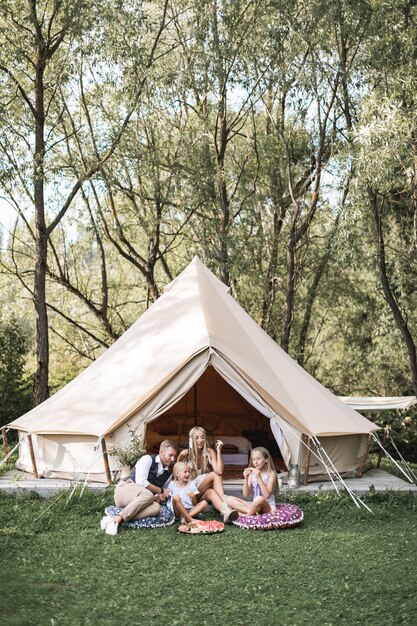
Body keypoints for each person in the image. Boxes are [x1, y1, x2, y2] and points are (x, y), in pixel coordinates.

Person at [101, 440, 177, 535]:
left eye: (174, 456)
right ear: (161, 452)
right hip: (124, 490)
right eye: (170, 455)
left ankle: (115, 519)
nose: (173, 459)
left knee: (156, 508)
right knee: (148, 494)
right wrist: (161, 491)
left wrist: (160, 497)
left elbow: (162, 494)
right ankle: (116, 520)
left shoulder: (168, 475)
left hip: (140, 501)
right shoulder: (147, 459)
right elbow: (141, 483)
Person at [177, 426, 238, 523]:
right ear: (191, 439)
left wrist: (218, 451)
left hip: (200, 492)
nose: (200, 440)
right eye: (196, 438)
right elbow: (176, 474)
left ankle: (226, 513)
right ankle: (225, 501)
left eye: (202, 437)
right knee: (214, 475)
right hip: (189, 492)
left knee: (211, 492)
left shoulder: (209, 452)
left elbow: (220, 471)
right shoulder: (185, 454)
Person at [226, 447, 277, 516]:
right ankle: (254, 513)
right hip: (255, 505)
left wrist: (259, 477)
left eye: (258, 459)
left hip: (267, 506)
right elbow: (246, 494)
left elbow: (266, 495)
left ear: (266, 460)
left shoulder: (271, 474)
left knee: (259, 498)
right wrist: (246, 478)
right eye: (253, 459)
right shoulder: (252, 474)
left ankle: (246, 515)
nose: (255, 462)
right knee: (229, 499)